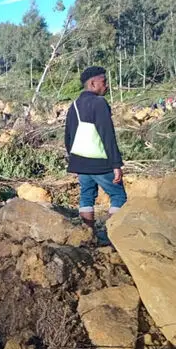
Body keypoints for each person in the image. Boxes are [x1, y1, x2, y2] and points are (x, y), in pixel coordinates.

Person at [64, 66, 127, 231]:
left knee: (86, 196)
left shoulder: (74, 105)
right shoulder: (99, 103)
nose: (107, 86)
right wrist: (116, 165)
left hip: (80, 161)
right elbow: (107, 135)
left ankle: (88, 234)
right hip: (100, 162)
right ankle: (113, 235)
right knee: (118, 195)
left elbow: (68, 136)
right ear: (93, 83)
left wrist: (75, 161)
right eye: (104, 82)